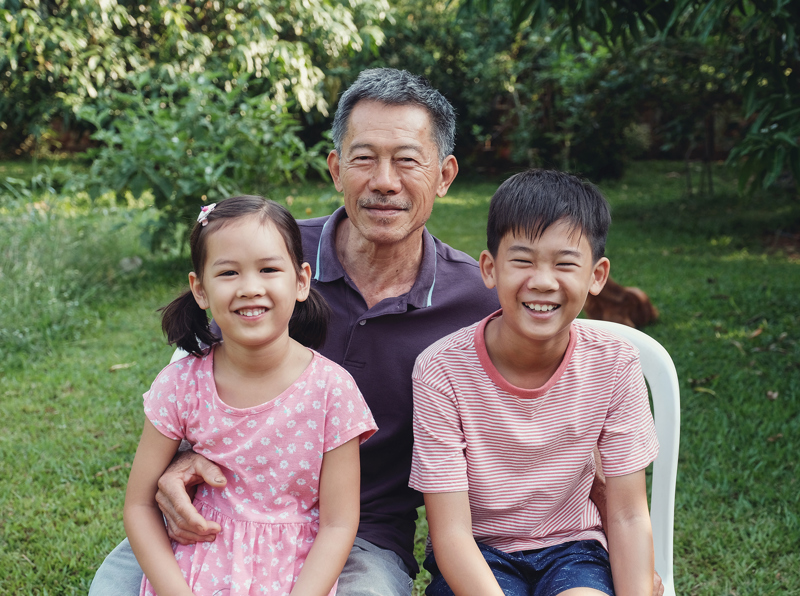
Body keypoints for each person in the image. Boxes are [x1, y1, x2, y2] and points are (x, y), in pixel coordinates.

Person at [90, 69, 663, 596]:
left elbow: (564, 405)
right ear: (337, 168)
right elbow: (192, 377)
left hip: (362, 533)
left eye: (408, 161)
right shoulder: (268, 262)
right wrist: (177, 464)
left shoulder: (482, 298)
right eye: (364, 158)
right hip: (223, 513)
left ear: (444, 176)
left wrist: (615, 559)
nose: (384, 182)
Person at [409, 169, 660, 596]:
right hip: (478, 553)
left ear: (597, 275)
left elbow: (628, 514)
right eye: (522, 260)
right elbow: (450, 532)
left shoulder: (615, 363)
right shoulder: (441, 371)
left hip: (573, 549)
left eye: (565, 263)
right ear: (489, 268)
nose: (542, 281)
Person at [123, 195, 377, 596]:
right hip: (196, 568)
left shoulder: (333, 390)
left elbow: (338, 523)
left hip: (297, 575)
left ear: (301, 281)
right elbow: (138, 506)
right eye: (228, 273)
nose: (250, 288)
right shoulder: (181, 384)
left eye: (269, 269)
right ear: (200, 289)